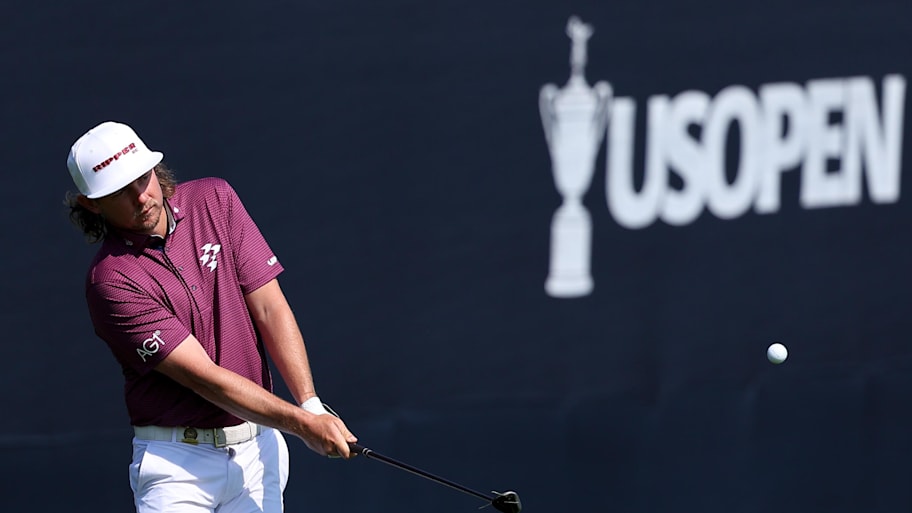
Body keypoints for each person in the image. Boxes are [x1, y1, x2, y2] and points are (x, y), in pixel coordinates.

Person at [64, 120, 357, 513]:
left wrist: (311, 405)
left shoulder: (215, 199)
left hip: (258, 453)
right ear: (91, 204)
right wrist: (302, 426)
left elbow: (271, 308)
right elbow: (207, 380)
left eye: (143, 179)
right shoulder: (111, 280)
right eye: (121, 192)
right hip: (176, 469)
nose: (142, 198)